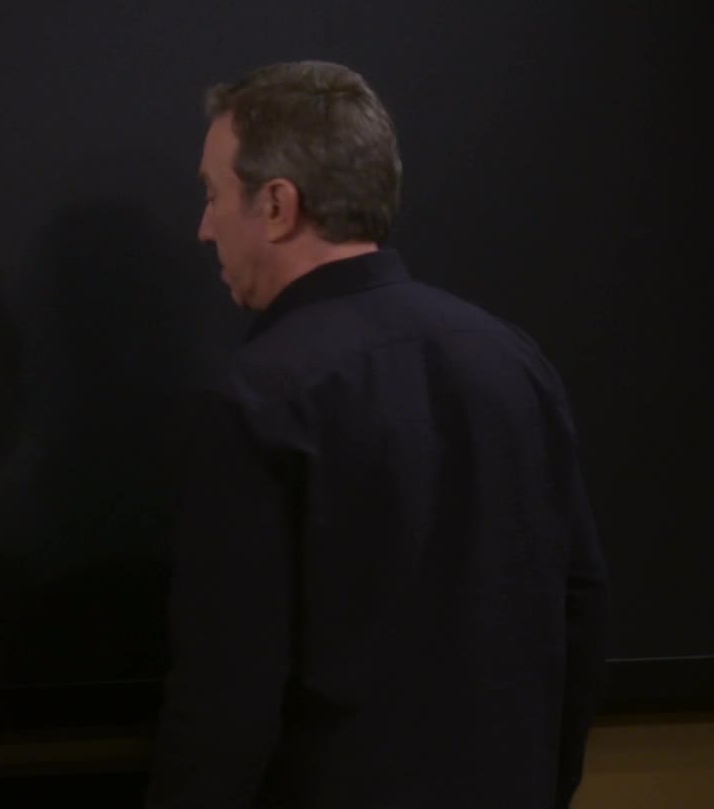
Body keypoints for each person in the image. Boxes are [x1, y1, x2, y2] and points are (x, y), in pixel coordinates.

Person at [147, 61, 608, 808]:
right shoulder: (513, 359)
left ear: (276, 205)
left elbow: (228, 687)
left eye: (212, 193)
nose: (204, 226)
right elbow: (579, 607)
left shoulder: (256, 397)